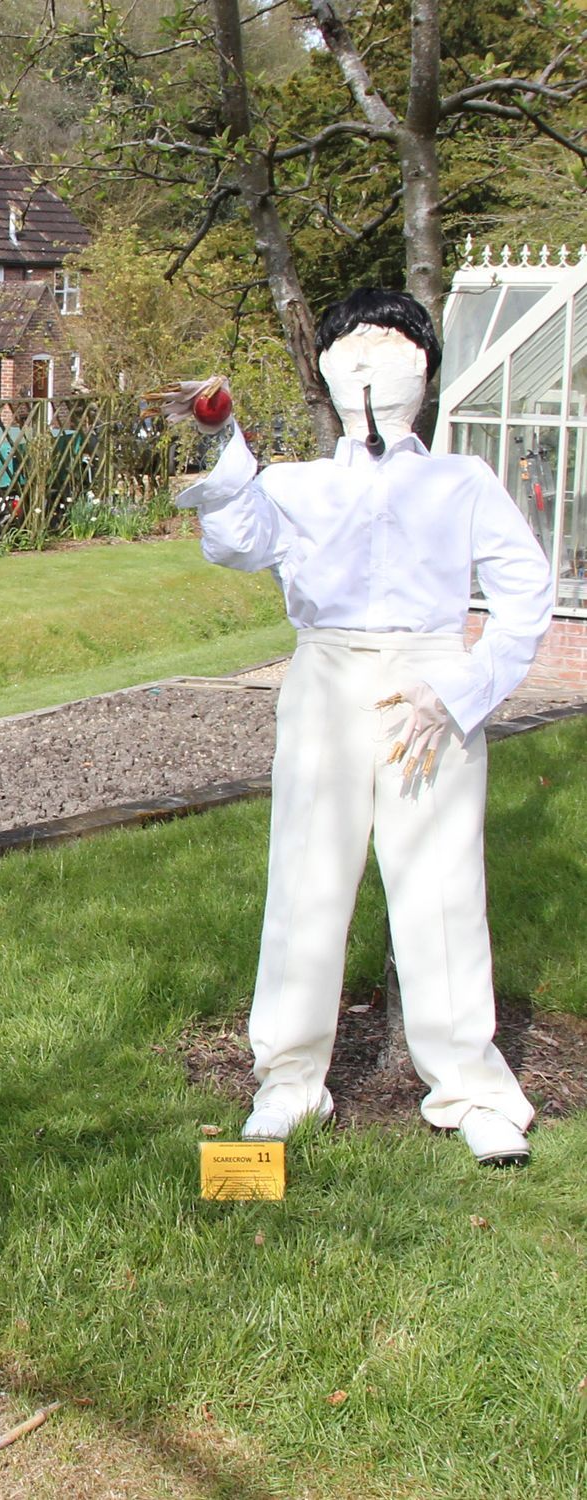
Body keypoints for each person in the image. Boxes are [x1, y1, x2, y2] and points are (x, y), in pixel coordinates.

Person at [165, 287, 554, 1167]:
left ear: (425, 366)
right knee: (308, 872)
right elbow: (234, 539)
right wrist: (222, 434)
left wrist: (459, 689)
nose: (372, 361)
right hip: (328, 680)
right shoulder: (296, 486)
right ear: (329, 369)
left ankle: (470, 1084)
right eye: (354, 344)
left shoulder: (462, 481)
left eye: (392, 342)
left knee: (442, 881)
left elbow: (526, 593)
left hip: (429, 686)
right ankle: (290, 1078)